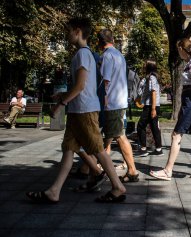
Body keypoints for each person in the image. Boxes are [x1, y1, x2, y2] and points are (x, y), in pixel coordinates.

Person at [26, 18, 126, 203]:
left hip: (84, 111)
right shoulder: (84, 54)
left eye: (68, 30)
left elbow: (80, 86)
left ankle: (118, 187)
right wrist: (63, 95)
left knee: (98, 150)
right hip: (78, 110)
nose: (66, 34)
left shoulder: (82, 54)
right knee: (69, 149)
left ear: (78, 31)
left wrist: (60, 104)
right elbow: (83, 86)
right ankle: (54, 191)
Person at [149, 38, 191, 180]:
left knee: (176, 134)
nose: (178, 53)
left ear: (182, 49)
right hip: (190, 101)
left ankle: (168, 170)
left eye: (178, 50)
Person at [97, 29, 139, 183]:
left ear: (99, 43)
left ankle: (133, 171)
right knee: (110, 135)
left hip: (112, 102)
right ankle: (96, 166)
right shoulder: (119, 55)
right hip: (119, 100)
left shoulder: (107, 56)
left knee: (120, 136)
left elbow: (105, 81)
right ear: (113, 40)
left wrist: (104, 100)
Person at [136, 60, 164, 157]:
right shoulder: (152, 77)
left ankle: (143, 149)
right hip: (153, 106)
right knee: (154, 127)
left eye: (145, 65)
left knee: (140, 126)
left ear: (148, 67)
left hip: (150, 106)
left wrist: (153, 109)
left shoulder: (151, 77)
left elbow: (153, 92)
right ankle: (158, 149)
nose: (143, 66)